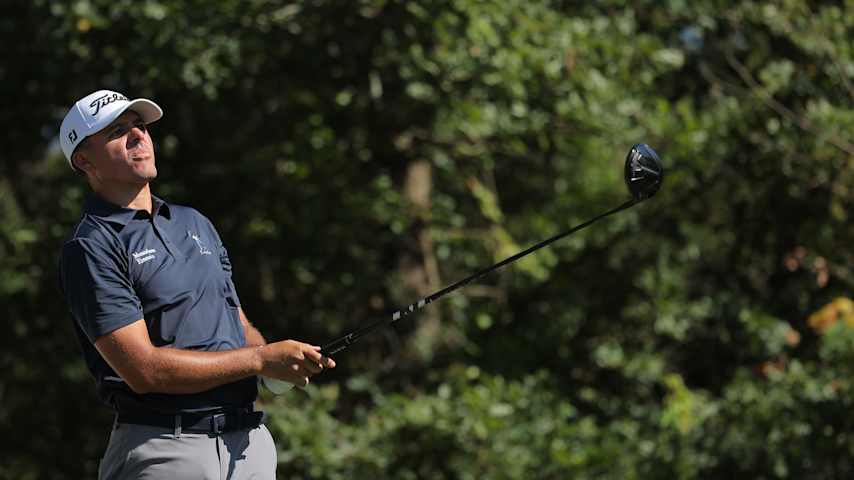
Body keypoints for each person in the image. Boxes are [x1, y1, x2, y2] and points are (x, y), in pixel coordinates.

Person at [58, 89, 336, 479]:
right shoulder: (91, 245)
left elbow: (236, 321)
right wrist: (259, 360)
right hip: (165, 448)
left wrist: (273, 367)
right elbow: (144, 370)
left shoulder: (193, 221)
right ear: (84, 160)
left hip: (248, 443)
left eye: (140, 126)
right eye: (117, 131)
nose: (138, 136)